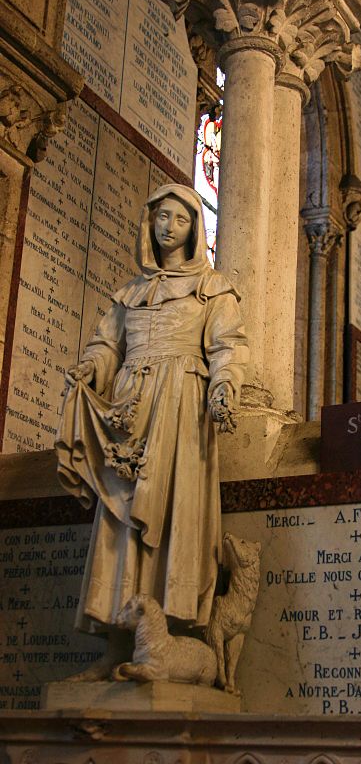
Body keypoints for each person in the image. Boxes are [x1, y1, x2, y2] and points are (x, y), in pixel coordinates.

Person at [56, 184, 248, 678]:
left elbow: (227, 346)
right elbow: (107, 345)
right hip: (129, 410)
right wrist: (91, 368)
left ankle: (171, 645)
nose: (168, 227)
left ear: (194, 229)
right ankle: (116, 648)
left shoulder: (214, 288)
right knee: (119, 525)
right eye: (161, 217)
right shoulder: (130, 293)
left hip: (181, 408)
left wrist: (224, 387)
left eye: (179, 219)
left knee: (173, 517)